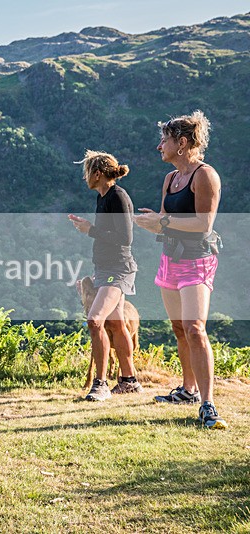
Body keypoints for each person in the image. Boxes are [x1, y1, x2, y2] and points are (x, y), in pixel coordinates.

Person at [134, 110, 227, 429]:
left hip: (197, 260)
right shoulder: (170, 179)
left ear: (182, 142)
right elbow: (166, 222)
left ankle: (208, 404)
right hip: (170, 259)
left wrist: (161, 222)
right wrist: (149, 222)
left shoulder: (205, 175)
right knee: (179, 328)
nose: (160, 146)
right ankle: (188, 390)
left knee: (195, 328)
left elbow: (203, 224)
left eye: (164, 140)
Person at [69, 151, 142, 401]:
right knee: (116, 324)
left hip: (117, 270)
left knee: (95, 320)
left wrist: (90, 230)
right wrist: (89, 229)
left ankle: (100, 384)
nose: (85, 178)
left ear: (98, 173)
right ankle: (129, 381)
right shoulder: (103, 197)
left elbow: (125, 238)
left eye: (87, 172)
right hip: (104, 269)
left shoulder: (117, 197)